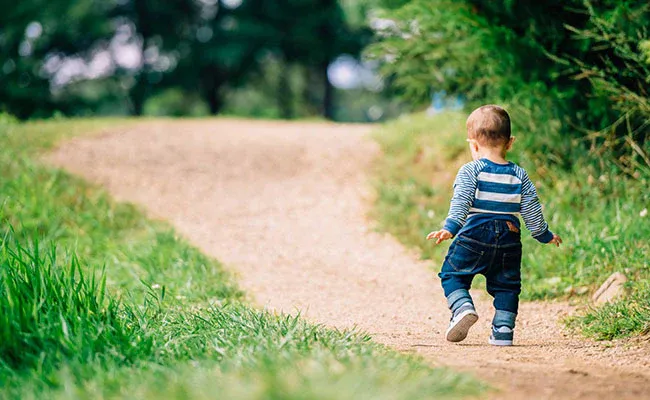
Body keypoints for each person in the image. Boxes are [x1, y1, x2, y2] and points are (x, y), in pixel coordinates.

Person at [426, 105, 562, 346]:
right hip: (510, 237)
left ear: (474, 145)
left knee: (452, 274)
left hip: (474, 234)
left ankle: (462, 307)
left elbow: (462, 202)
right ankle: (503, 330)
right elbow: (532, 212)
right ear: (510, 143)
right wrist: (544, 235)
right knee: (507, 286)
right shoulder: (520, 175)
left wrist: (450, 227)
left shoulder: (471, 170)